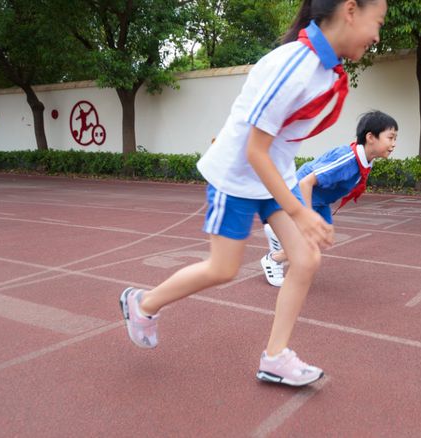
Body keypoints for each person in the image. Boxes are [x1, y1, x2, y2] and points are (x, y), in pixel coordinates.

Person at [118, 0, 388, 387]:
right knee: (223, 268)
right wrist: (301, 211)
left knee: (307, 259)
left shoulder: (324, 71)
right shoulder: (293, 66)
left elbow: (274, 149)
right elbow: (253, 150)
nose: (377, 34)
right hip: (238, 177)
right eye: (376, 21)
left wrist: (297, 206)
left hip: (273, 175)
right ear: (350, 10)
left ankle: (275, 357)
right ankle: (141, 303)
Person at [261, 110, 398, 287]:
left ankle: (278, 236)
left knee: (322, 237)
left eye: (395, 138)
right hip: (300, 192)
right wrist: (306, 219)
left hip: (320, 199)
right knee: (308, 240)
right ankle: (272, 259)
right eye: (390, 137)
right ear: (371, 137)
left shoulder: (366, 160)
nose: (394, 144)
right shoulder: (347, 160)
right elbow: (305, 183)